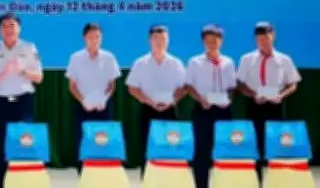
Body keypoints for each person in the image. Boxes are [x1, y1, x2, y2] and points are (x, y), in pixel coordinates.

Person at [0, 13, 43, 188]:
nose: (8, 30)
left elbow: (39, 77)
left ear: (19, 28)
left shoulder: (29, 48)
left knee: (23, 143)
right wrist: (2, 74)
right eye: (4, 26)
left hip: (23, 103)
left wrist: (23, 71)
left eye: (12, 25)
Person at [235, 22, 301, 182]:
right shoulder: (246, 59)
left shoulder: (284, 60)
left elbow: (293, 84)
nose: (263, 42)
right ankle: (256, 181)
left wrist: (281, 95)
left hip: (275, 106)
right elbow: (240, 84)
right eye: (259, 39)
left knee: (276, 145)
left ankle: (276, 181)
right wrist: (253, 94)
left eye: (266, 38)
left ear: (273, 36)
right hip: (255, 106)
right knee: (254, 145)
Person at [125, 25, 186, 179]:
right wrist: (149, 101)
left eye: (163, 39)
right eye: (156, 39)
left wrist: (173, 100)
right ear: (149, 40)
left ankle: (170, 180)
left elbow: (183, 87)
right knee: (147, 148)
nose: (160, 42)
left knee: (171, 147)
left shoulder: (176, 63)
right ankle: (147, 181)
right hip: (148, 110)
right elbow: (132, 88)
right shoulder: (140, 63)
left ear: (168, 40)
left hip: (169, 111)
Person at [65, 22, 121, 174]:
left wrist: (105, 98)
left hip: (104, 106)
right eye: (91, 37)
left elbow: (112, 85)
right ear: (85, 38)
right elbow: (72, 86)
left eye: (97, 37)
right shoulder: (76, 58)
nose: (94, 40)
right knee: (83, 141)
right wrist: (83, 100)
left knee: (104, 140)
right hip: (83, 106)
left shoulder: (109, 57)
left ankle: (103, 174)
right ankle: (83, 175)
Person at [184, 24, 236, 188]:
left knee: (225, 149)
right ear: (203, 42)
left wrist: (229, 98)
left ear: (221, 41)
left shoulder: (228, 62)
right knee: (202, 151)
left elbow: (232, 87)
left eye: (216, 40)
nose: (212, 43)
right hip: (203, 110)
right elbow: (188, 86)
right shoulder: (195, 62)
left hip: (223, 111)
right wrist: (200, 99)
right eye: (209, 40)